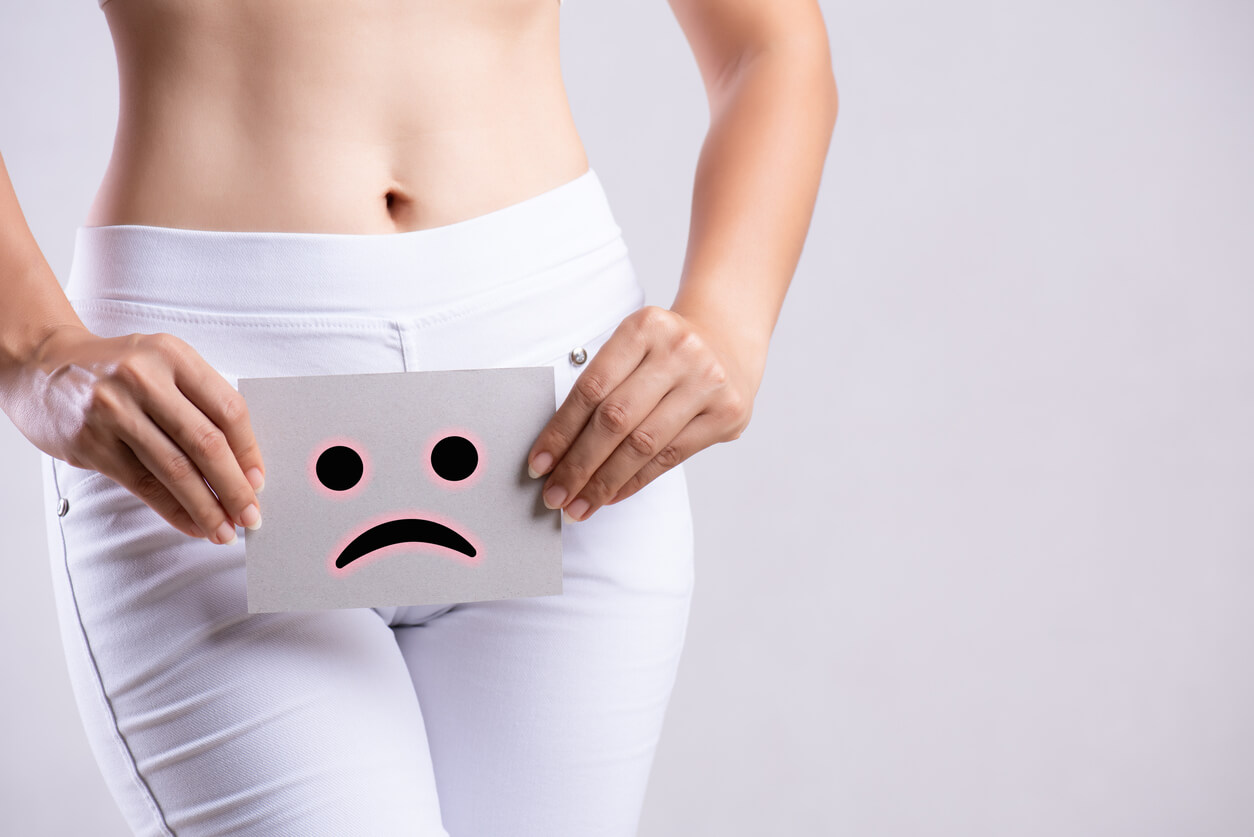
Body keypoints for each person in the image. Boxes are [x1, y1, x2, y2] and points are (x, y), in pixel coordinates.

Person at [0, 0, 837, 833]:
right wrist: (31, 345)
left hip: (570, 416)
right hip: (204, 433)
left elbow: (771, 43)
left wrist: (729, 319)